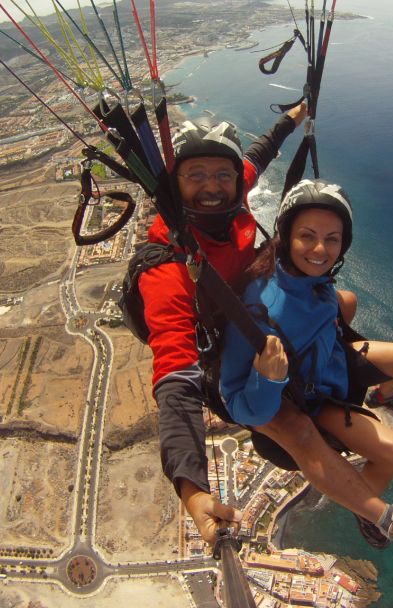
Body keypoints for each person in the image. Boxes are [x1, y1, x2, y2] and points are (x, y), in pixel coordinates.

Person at [219, 180, 393, 551]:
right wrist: (267, 379)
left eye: (332, 239)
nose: (321, 249)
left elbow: (319, 307)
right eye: (308, 236)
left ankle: (384, 398)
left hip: (329, 365)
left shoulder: (306, 277)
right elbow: (236, 402)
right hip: (311, 398)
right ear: (285, 236)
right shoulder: (258, 309)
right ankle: (376, 516)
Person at [140, 104, 309, 543]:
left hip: (250, 317)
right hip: (217, 353)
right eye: (195, 176)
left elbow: (261, 151)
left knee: (342, 303)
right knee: (294, 426)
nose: (211, 187)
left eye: (222, 175)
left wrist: (296, 115)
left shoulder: (233, 192)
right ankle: (379, 516)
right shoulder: (167, 266)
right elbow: (175, 377)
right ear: (175, 185)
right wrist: (193, 490)